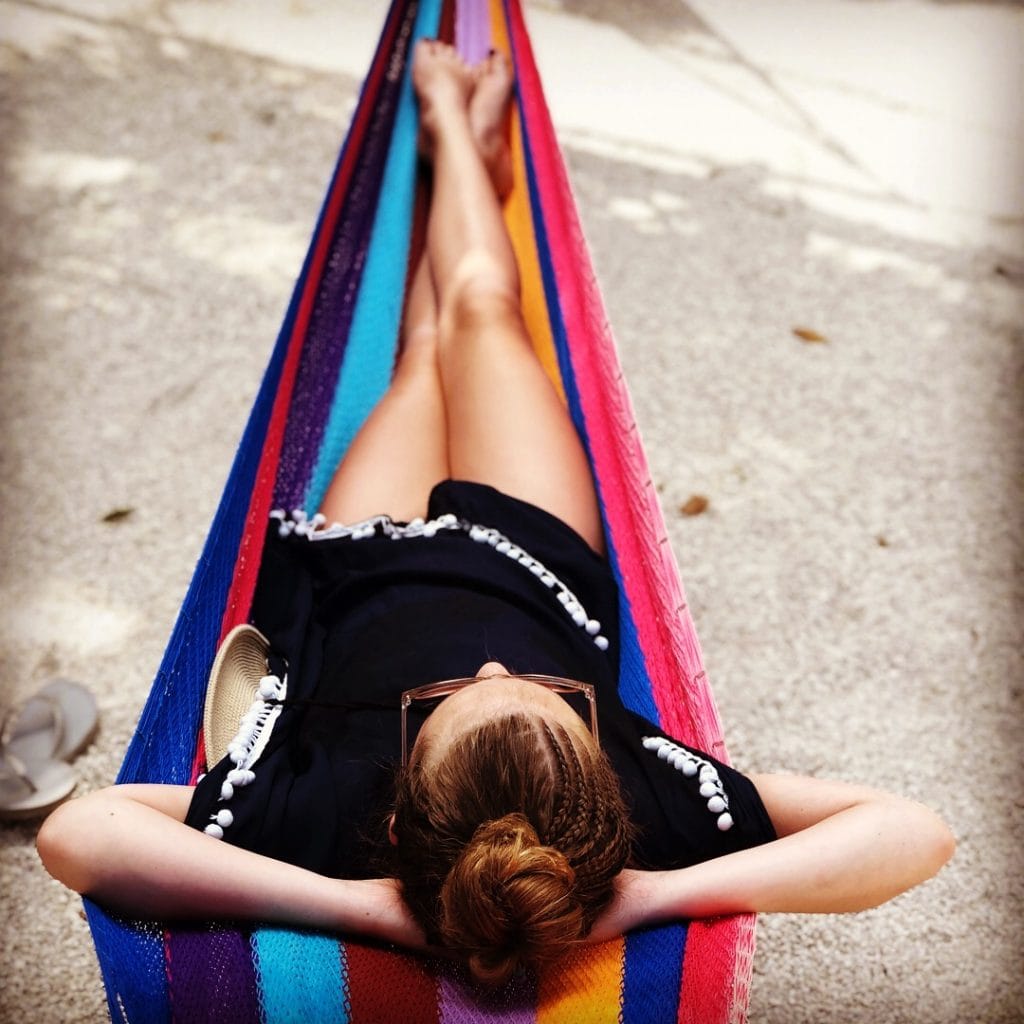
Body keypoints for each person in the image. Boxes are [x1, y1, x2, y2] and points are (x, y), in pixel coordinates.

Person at [37, 41, 954, 987]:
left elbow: (80, 833)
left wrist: (358, 907)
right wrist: (652, 891)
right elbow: (913, 831)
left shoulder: (318, 819)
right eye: (557, 698)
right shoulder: (654, 804)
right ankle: (461, 142)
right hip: (532, 548)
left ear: (392, 823)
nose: (487, 663)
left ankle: (453, 142)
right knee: (482, 307)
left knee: (423, 351)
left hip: (372, 558)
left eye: (442, 705)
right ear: (608, 775)